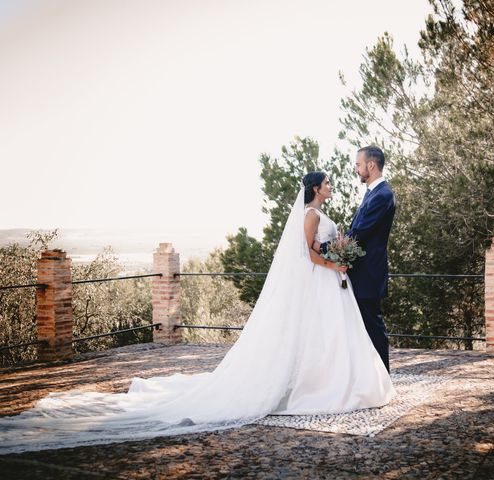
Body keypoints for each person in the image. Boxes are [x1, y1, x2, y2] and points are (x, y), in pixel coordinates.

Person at [0, 172, 395, 455]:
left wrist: (336, 260)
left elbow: (323, 249)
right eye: (326, 183)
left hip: (328, 286)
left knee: (327, 337)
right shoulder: (310, 214)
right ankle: (311, 385)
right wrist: (333, 264)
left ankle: (327, 380)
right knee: (315, 337)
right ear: (315, 188)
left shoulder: (320, 214)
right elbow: (309, 253)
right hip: (323, 280)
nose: (330, 186)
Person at [314, 146, 395, 372]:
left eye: (358, 164)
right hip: (361, 272)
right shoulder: (372, 192)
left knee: (373, 327)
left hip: (369, 273)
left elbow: (359, 234)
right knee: (362, 328)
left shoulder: (383, 195)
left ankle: (382, 380)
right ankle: (368, 378)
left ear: (371, 165)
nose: (356, 169)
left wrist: (322, 247)